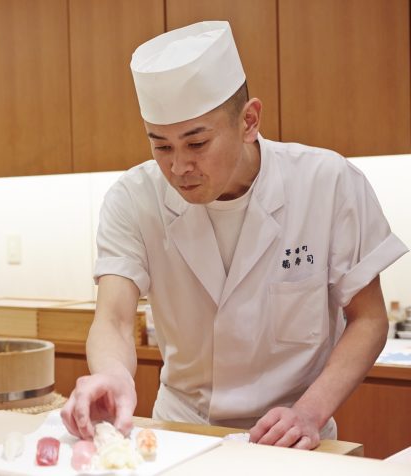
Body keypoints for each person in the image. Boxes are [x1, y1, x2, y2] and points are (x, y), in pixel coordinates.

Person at [60, 21, 408, 449]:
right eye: (162, 146)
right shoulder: (133, 198)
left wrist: (310, 412)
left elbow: (369, 319)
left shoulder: (326, 181)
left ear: (249, 120)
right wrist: (112, 377)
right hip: (183, 431)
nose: (179, 167)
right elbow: (112, 318)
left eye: (197, 143)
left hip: (292, 436)